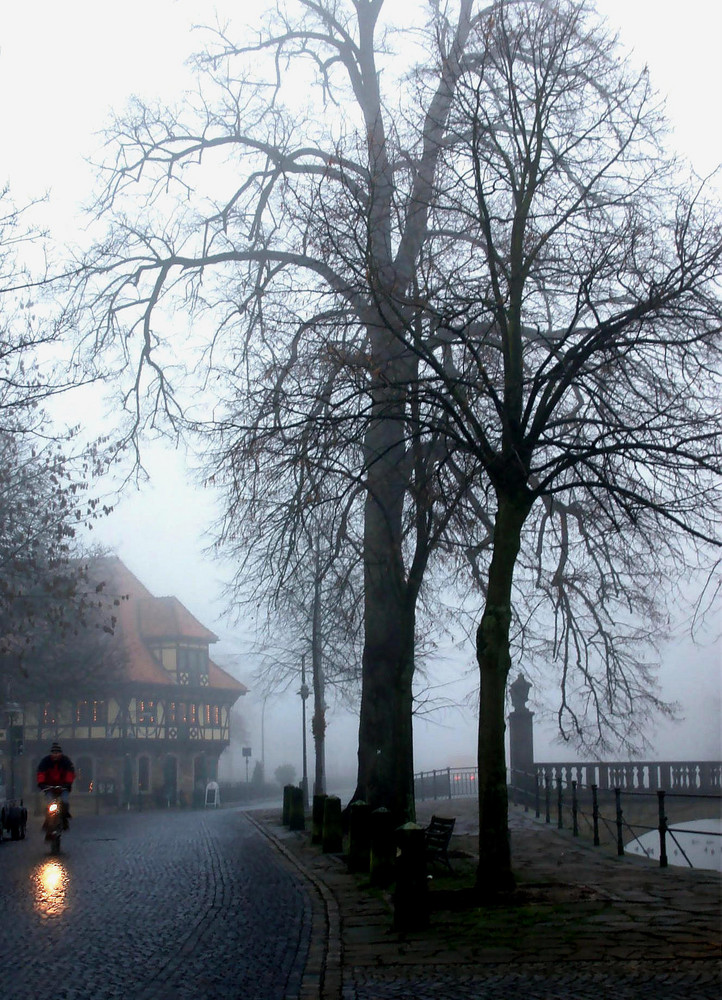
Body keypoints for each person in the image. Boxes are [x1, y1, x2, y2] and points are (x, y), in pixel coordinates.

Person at [37, 742, 75, 830]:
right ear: (51, 753)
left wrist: (68, 784)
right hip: (49, 787)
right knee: (48, 803)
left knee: (64, 802)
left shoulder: (66, 761)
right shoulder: (45, 761)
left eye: (57, 753)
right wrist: (41, 784)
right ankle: (47, 820)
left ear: (60, 753)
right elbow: (41, 773)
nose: (55, 755)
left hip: (63, 787)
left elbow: (70, 773)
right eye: (54, 753)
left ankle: (64, 818)